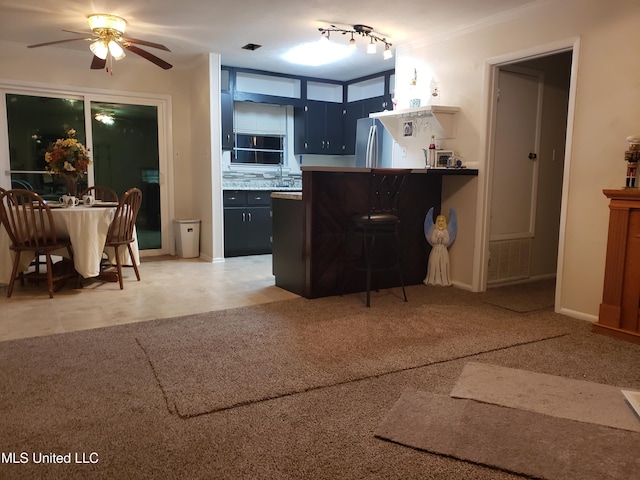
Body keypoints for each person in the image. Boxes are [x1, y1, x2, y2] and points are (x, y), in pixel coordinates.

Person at [423, 207, 457, 286]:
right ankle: (432, 279)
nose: (441, 222)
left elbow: (447, 240)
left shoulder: (445, 231)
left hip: (443, 250)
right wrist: (437, 237)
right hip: (435, 249)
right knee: (434, 263)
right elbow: (432, 239)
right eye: (439, 221)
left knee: (443, 263)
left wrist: (442, 238)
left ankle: (443, 280)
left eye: (442, 221)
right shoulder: (435, 231)